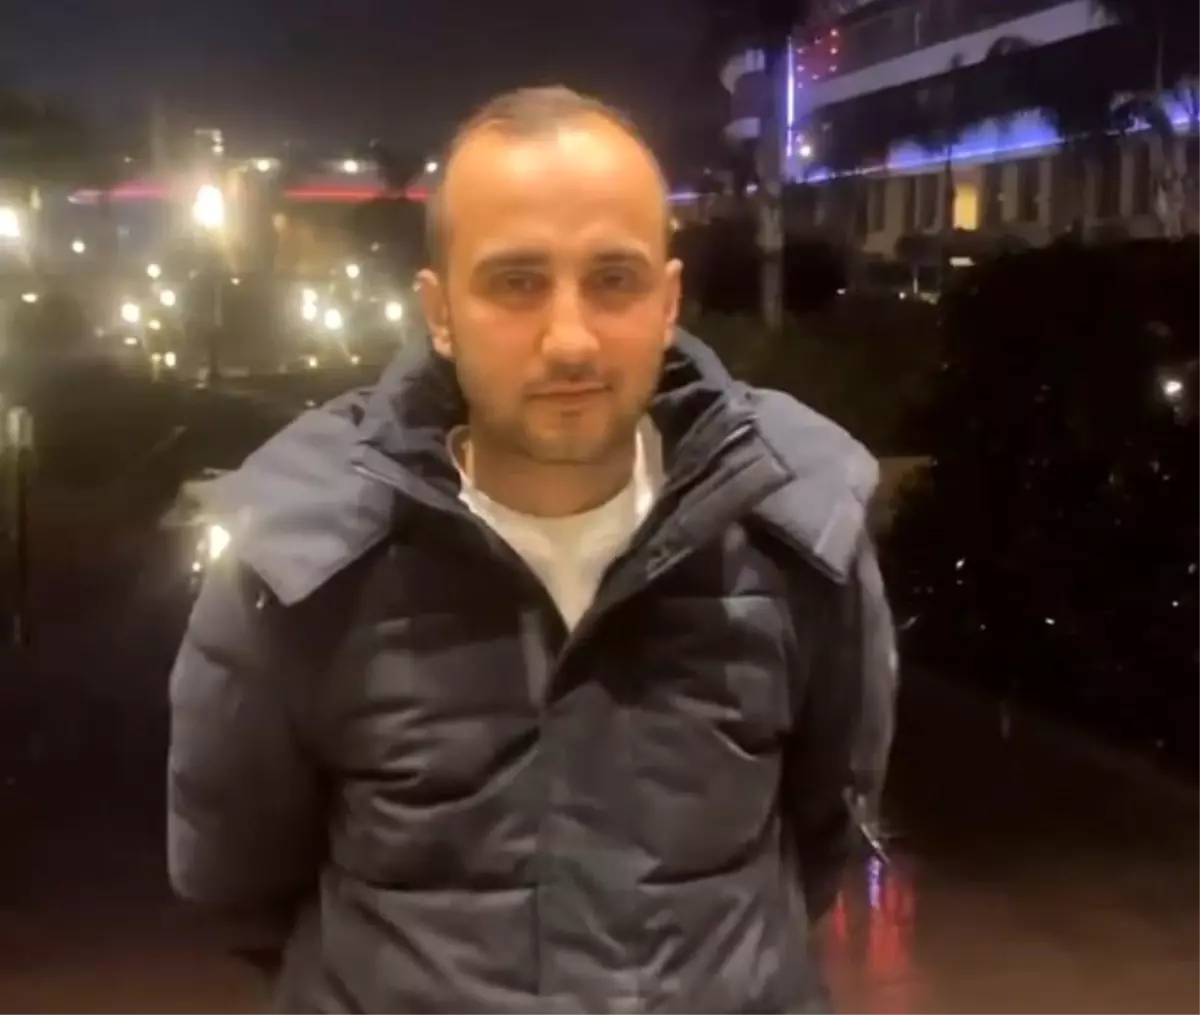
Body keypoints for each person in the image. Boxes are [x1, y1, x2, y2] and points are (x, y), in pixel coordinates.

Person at [167, 86, 898, 1015]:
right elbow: (234, 877)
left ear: (668, 301)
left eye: (614, 279)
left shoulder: (795, 534)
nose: (570, 339)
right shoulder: (297, 564)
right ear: (439, 311)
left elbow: (823, 831)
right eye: (516, 282)